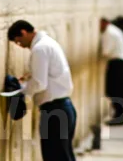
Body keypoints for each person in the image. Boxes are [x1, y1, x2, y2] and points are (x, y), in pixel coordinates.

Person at [8, 20, 76, 161]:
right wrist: (29, 79)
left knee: (55, 156)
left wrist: (21, 90)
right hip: (64, 108)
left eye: (18, 41)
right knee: (63, 155)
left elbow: (40, 83)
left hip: (55, 111)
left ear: (23, 32)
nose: (20, 46)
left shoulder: (40, 48)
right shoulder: (48, 43)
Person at [100, 18, 123, 125]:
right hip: (120, 63)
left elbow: (106, 51)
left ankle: (119, 116)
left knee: (115, 90)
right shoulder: (113, 31)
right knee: (118, 90)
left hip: (117, 63)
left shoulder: (109, 33)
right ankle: (119, 115)